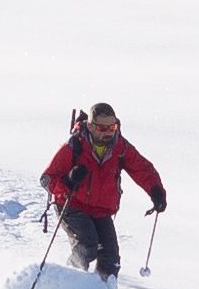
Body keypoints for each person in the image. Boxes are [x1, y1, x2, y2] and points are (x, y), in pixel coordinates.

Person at [41, 104, 167, 280]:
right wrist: (68, 180)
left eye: (112, 127)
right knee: (87, 246)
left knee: (110, 257)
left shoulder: (120, 147)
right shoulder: (74, 145)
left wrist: (156, 191)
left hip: (100, 210)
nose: (108, 132)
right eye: (102, 128)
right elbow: (47, 179)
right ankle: (66, 284)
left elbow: (142, 169)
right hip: (71, 204)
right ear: (91, 126)